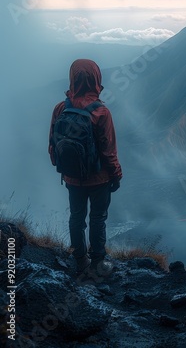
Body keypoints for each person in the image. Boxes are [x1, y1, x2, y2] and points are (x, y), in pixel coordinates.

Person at [49, 59, 122, 276]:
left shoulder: (61, 108)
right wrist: (116, 176)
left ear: (72, 78)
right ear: (96, 79)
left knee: (76, 217)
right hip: (99, 179)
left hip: (72, 177)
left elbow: (53, 145)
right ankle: (98, 264)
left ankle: (79, 260)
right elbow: (109, 151)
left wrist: (62, 167)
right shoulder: (101, 113)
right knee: (98, 218)